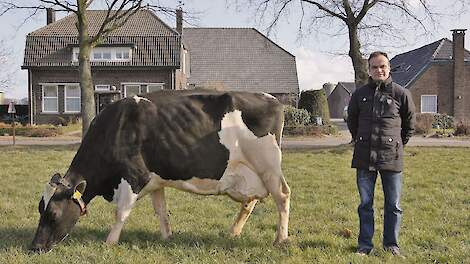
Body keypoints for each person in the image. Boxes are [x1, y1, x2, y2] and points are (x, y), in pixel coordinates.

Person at [347, 51, 416, 256]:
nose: (379, 70)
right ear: (369, 70)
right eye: (374, 67)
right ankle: (364, 246)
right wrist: (362, 139)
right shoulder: (359, 95)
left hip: (391, 157)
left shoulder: (401, 94)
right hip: (364, 156)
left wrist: (396, 144)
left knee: (393, 205)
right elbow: (352, 121)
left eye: (383, 66)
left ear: (389, 68)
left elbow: (409, 125)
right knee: (365, 204)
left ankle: (391, 245)